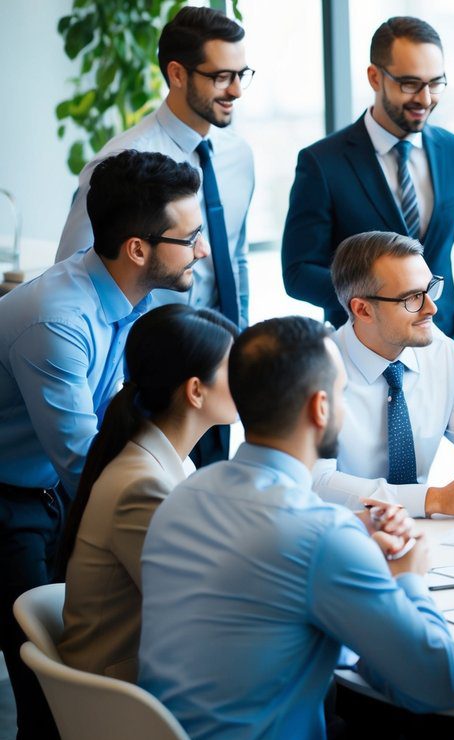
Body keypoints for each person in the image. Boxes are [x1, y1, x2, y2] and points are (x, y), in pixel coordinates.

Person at [138, 316, 454, 740]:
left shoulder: (184, 495)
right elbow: (439, 685)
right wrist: (409, 578)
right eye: (344, 392)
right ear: (320, 408)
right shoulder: (323, 536)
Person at [0, 149, 201, 740]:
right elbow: (86, 461)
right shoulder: (55, 319)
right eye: (188, 238)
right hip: (11, 502)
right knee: (52, 698)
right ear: (138, 249)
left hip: (52, 488)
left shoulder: (133, 296)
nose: (202, 249)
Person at [55, 6, 253, 468]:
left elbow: (235, 260)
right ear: (178, 74)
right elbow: (75, 276)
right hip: (151, 383)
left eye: (242, 73)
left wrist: (239, 355)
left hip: (220, 372)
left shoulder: (239, 154)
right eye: (222, 76)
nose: (237, 90)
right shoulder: (124, 164)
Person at [283, 16, 454, 375]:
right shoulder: (322, 162)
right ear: (375, 78)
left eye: (435, 83)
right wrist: (377, 303)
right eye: (410, 84)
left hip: (443, 349)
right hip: (356, 360)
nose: (425, 99)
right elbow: (298, 272)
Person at [58, 305, 238, 683]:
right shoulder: (143, 485)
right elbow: (202, 606)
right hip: (129, 699)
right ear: (195, 391)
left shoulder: (169, 463)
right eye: (233, 368)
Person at [315, 231, 454, 517]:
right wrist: (432, 499)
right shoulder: (316, 369)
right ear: (363, 310)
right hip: (341, 534)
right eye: (412, 298)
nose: (432, 308)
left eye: (430, 289)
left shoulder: (442, 352)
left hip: (428, 537)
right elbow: (316, 482)